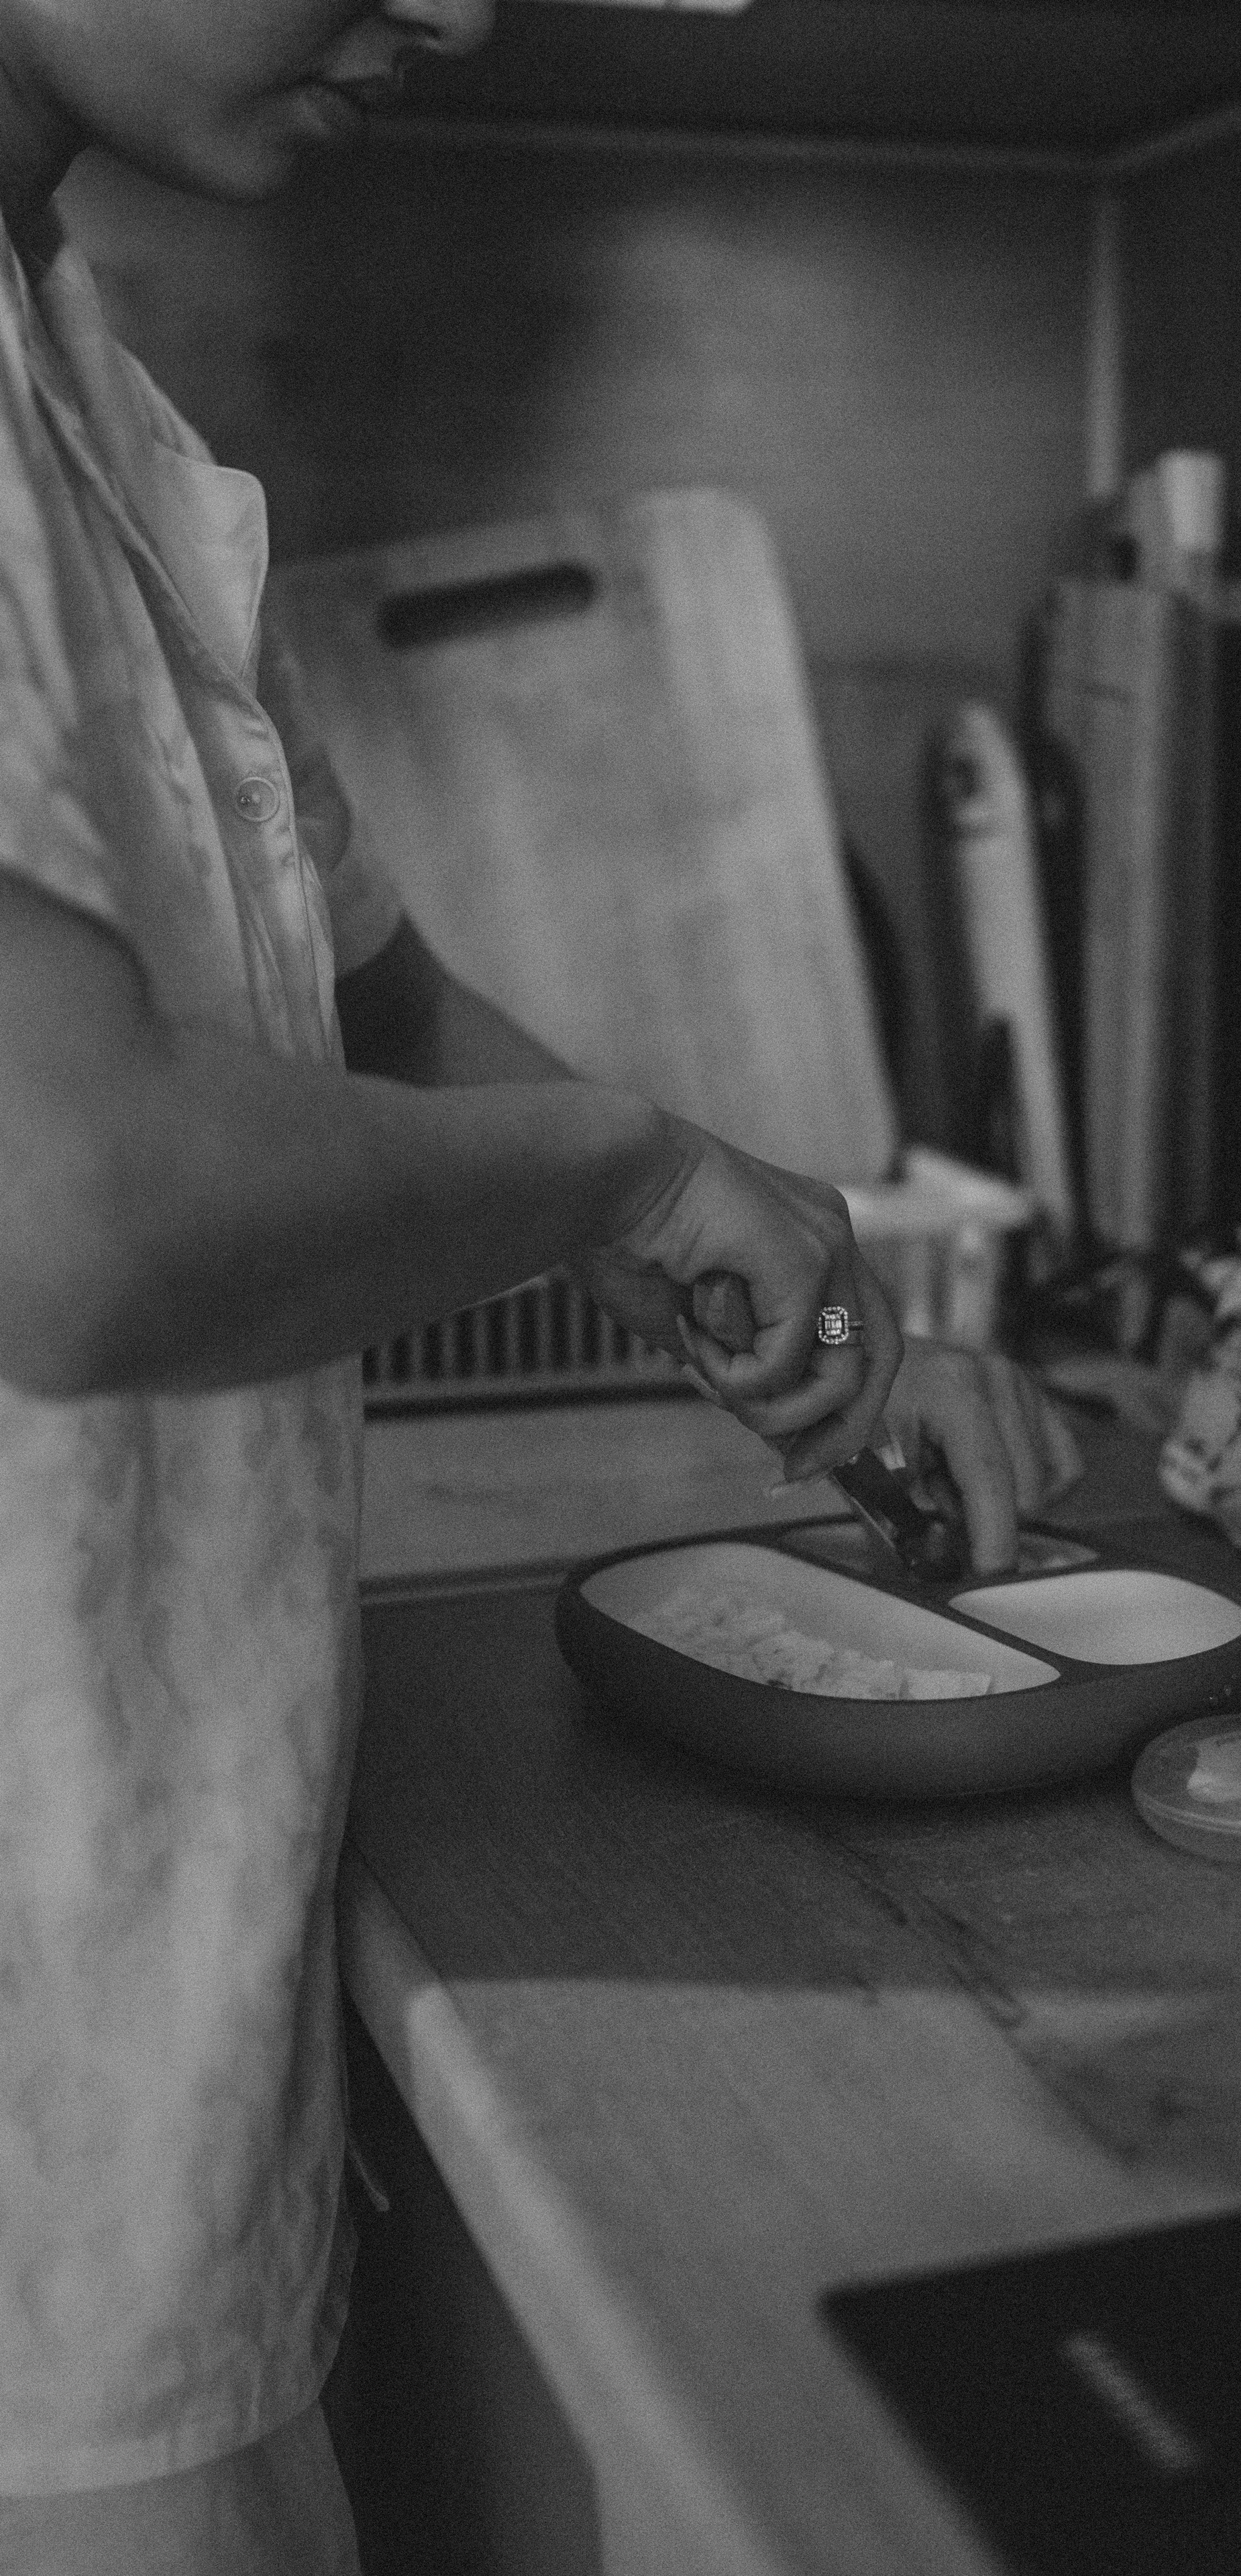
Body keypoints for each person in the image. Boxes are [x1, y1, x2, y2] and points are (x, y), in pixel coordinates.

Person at [0, 4, 1079, 2567]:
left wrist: (729, 1214)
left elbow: (361, 984)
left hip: (130, 2061)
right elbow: (78, 1211)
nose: (466, 2)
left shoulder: (80, 391)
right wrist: (621, 1176)